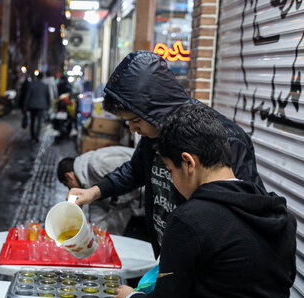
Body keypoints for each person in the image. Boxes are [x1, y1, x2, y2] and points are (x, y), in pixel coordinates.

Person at [114, 103, 296, 298]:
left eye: (171, 170)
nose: (172, 181)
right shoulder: (279, 213)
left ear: (189, 162)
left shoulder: (190, 221)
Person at [69, 50, 263, 257]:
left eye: (136, 121)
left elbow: (242, 214)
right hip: (170, 251)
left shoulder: (226, 139)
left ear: (155, 111)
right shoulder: (154, 132)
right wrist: (93, 192)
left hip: (203, 260)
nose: (133, 129)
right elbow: (135, 171)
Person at [57, 146, 144, 236]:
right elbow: (98, 222)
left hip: (150, 197)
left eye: (67, 185)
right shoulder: (90, 191)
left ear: (69, 176)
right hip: (140, 211)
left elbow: (137, 172)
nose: (69, 190)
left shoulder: (98, 162)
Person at [23, 72, 51, 142]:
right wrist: (48, 105)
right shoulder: (45, 86)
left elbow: (27, 96)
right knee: (39, 121)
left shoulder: (32, 85)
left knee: (32, 121)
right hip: (41, 106)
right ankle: (37, 135)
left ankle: (32, 135)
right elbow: (48, 97)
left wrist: (25, 105)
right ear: (42, 78)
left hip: (32, 105)